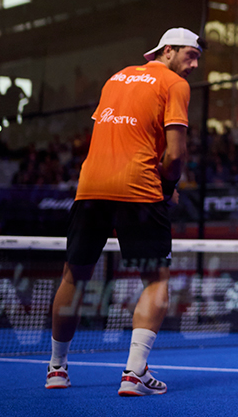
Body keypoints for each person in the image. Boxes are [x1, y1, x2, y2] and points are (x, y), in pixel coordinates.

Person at [46, 28, 203, 395]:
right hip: (138, 188)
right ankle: (134, 374)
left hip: (91, 187)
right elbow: (176, 155)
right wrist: (168, 189)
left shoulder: (115, 78)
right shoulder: (175, 84)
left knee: (73, 276)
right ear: (168, 51)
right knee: (157, 279)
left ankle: (56, 368)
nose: (194, 64)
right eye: (190, 55)